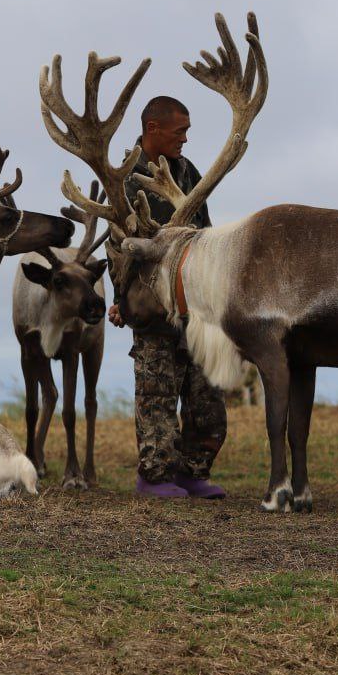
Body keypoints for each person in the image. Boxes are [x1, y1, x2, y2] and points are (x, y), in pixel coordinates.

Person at [108, 95, 227, 499]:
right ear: (153, 128)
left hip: (196, 303)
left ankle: (193, 472)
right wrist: (119, 297)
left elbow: (205, 233)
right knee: (157, 391)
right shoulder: (123, 176)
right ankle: (155, 477)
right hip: (152, 304)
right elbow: (118, 243)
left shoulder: (186, 171)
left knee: (204, 392)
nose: (186, 140)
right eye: (181, 132)